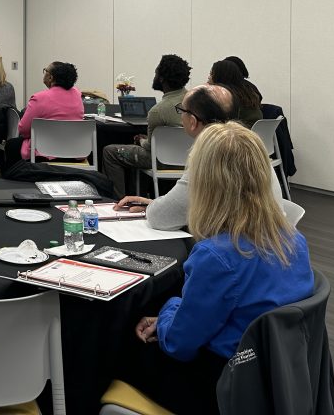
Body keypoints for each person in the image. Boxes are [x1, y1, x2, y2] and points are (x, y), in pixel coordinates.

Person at [123, 121, 314, 414]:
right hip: (276, 375)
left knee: (119, 344)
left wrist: (167, 312)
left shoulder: (217, 257)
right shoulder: (294, 240)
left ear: (205, 183)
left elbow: (179, 345)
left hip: (223, 386)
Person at [115, 85, 282, 230]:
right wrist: (154, 204)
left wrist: (152, 208)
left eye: (181, 110)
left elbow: (162, 218)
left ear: (193, 121)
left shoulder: (211, 154)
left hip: (232, 253)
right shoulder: (251, 145)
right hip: (268, 241)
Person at [100, 54, 191, 197]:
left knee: (110, 152)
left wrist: (141, 140)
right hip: (190, 159)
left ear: (162, 78)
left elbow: (150, 147)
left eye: (156, 72)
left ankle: (117, 201)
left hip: (161, 161)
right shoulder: (195, 101)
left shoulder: (157, 111)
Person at [0, 61, 83, 168]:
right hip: (74, 151)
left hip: (45, 152)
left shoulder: (39, 98)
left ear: (51, 78)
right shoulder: (77, 94)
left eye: (45, 71)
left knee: (11, 145)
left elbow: (23, 130)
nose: (44, 73)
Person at [209, 58, 263, 126]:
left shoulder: (226, 95)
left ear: (220, 76)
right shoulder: (247, 89)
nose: (209, 77)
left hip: (239, 131)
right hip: (254, 131)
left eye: (211, 74)